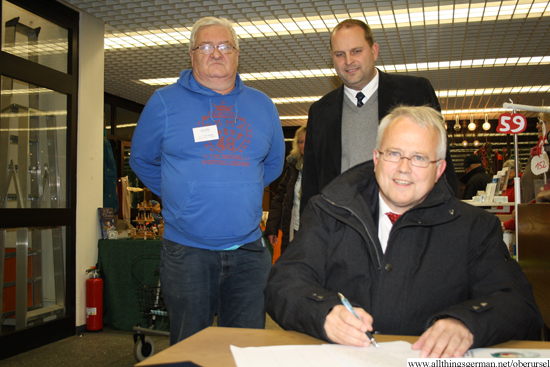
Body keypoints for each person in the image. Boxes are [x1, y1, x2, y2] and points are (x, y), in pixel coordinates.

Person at [265, 106, 542, 358]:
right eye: (394, 153)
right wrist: (323, 313)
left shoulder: (474, 227)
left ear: (439, 170)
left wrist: (467, 322)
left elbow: (518, 305)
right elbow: (283, 284)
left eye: (420, 157)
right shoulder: (329, 211)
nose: (404, 168)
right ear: (376, 158)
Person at [130, 16, 285, 344]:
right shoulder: (163, 103)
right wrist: (179, 193)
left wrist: (239, 187)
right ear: (192, 54)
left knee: (244, 350)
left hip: (249, 253)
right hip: (187, 252)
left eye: (225, 46)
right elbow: (141, 160)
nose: (216, 53)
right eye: (206, 46)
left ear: (237, 54)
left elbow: (272, 165)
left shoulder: (263, 106)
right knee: (190, 347)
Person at [301, 19, 458, 211]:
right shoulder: (320, 111)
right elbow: (311, 182)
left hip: (408, 219)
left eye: (356, 51)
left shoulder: (415, 93)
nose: (348, 61)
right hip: (343, 225)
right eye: (340, 54)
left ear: (374, 51)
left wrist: (449, 216)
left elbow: (442, 163)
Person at [265, 125, 306, 254]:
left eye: (308, 141)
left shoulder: (323, 167)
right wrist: (272, 227)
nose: (304, 145)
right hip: (293, 229)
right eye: (301, 142)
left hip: (314, 230)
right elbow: (279, 197)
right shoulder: (293, 166)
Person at [521, 112, 549, 203]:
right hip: (534, 209)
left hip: (542, 210)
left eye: (543, 123)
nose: (538, 127)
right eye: (538, 123)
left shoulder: (546, 151)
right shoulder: (537, 151)